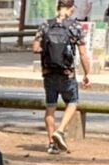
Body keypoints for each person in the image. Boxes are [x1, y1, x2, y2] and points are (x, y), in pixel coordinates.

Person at [32, 0, 90, 155]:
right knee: (72, 102)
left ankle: (51, 144)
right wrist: (87, 74)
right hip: (67, 73)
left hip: (48, 72)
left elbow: (35, 48)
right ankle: (61, 130)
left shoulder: (45, 25)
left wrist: (50, 50)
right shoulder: (74, 26)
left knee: (50, 107)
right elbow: (83, 53)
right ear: (71, 8)